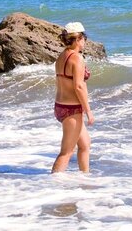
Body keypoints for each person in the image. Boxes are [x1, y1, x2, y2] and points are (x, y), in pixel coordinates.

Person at [51, 22, 94, 173]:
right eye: (84, 38)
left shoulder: (62, 56)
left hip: (61, 105)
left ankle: (85, 177)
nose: (85, 41)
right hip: (71, 109)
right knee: (66, 152)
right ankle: (52, 185)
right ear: (77, 39)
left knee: (85, 144)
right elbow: (79, 86)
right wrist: (88, 111)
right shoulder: (77, 58)